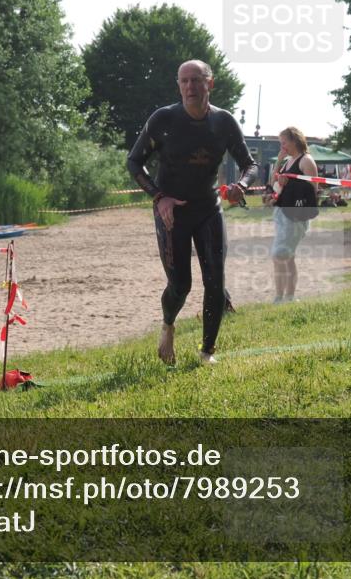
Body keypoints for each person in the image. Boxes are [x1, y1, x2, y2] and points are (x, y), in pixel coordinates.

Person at [127, 60, 257, 365]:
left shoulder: (223, 122)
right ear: (178, 86)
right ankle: (168, 325)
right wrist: (159, 197)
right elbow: (134, 162)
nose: (190, 87)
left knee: (215, 280)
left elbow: (249, 164)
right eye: (184, 81)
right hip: (171, 211)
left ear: (209, 84)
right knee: (180, 285)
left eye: (196, 80)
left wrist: (242, 185)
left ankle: (206, 352)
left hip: (208, 209)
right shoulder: (164, 119)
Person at [269, 127, 318, 304]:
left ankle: (281, 297)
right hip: (282, 213)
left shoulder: (306, 161)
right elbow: (272, 184)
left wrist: (290, 183)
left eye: (284, 142)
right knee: (287, 257)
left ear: (294, 140)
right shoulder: (288, 161)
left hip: (296, 215)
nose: (282, 146)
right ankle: (286, 296)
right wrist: (279, 161)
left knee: (279, 255)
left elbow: (313, 190)